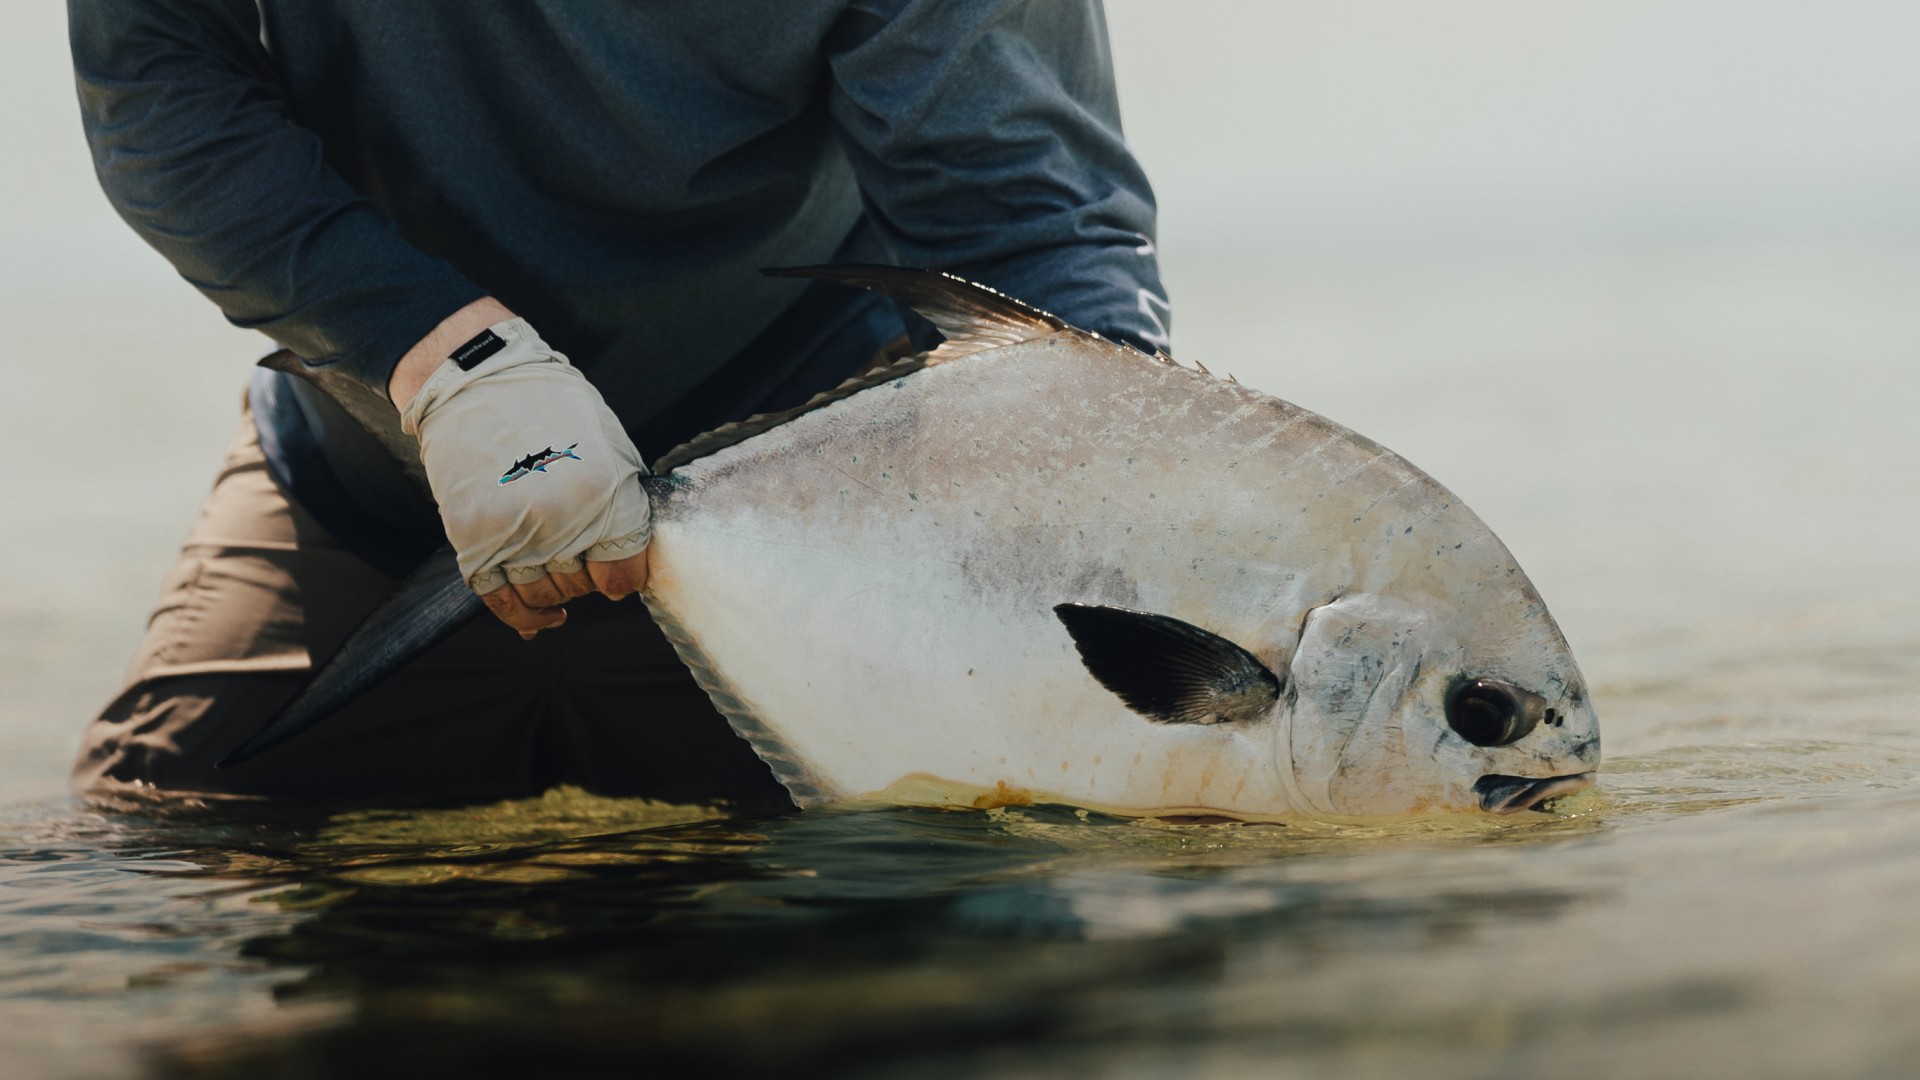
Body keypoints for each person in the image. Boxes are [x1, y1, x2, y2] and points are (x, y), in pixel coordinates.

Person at [66, 1, 1170, 810]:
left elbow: (1023, 218)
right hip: (364, 485)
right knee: (155, 852)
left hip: (819, 542)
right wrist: (447, 362)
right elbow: (158, 79)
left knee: (971, 977)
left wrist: (1130, 494)